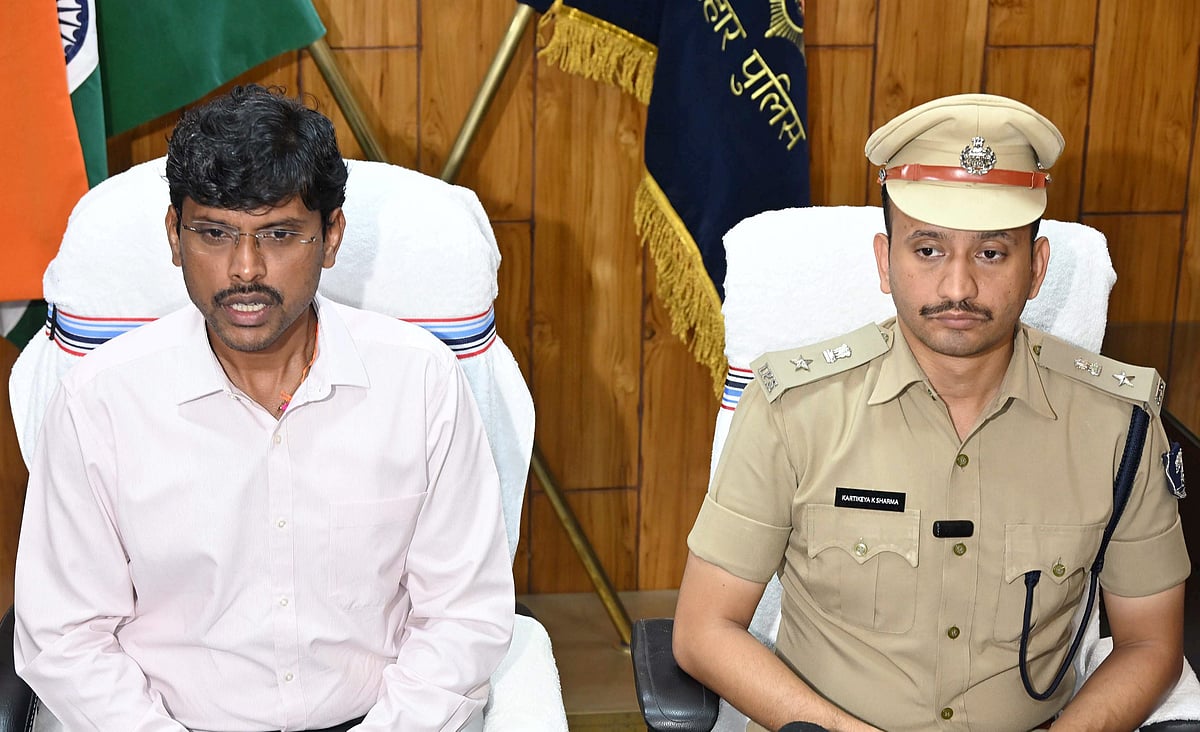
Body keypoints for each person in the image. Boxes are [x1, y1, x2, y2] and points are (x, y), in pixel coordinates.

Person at [673, 93, 1189, 731]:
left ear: (1038, 268)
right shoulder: (792, 408)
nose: (958, 288)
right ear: (884, 263)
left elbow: (1149, 642)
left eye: (992, 253)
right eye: (927, 250)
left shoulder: (1120, 424)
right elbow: (702, 630)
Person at [13, 84, 514, 731]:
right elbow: (64, 637)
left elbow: (463, 615)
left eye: (279, 235)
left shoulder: (421, 382)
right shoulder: (99, 401)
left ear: (330, 236)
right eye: (215, 234)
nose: (245, 270)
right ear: (174, 235)